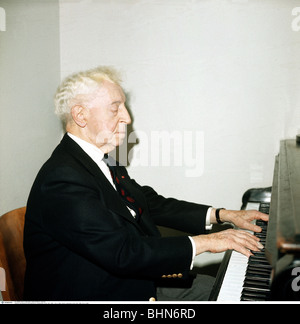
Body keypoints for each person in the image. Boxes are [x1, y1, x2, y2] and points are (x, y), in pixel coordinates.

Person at [23, 66, 268, 301]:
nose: (127, 118)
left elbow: (147, 202)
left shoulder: (98, 159)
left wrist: (221, 215)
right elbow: (123, 252)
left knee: (229, 290)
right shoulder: (62, 179)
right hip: (96, 293)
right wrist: (208, 242)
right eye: (115, 108)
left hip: (129, 279)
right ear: (80, 115)